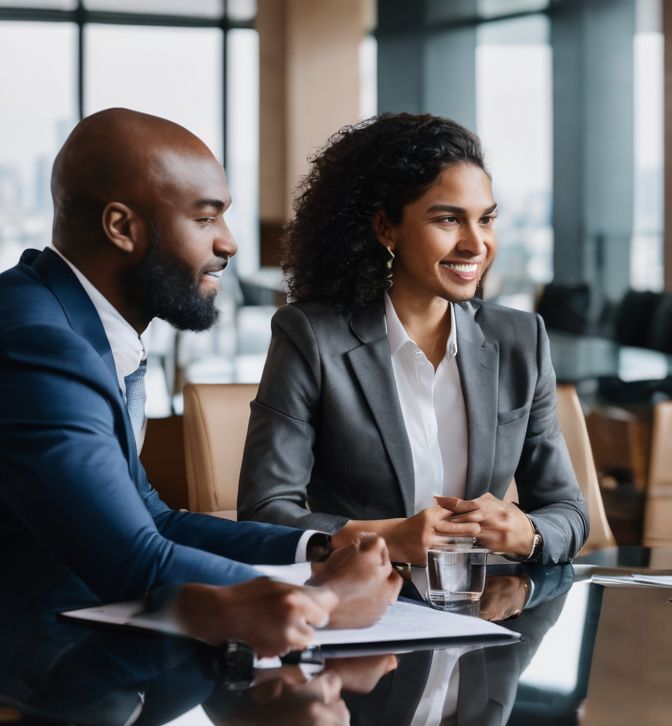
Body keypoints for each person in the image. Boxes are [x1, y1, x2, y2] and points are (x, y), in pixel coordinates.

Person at [0, 108, 401, 658]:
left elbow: (154, 520)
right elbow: (133, 559)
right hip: (34, 686)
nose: (230, 244)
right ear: (122, 227)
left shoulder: (72, 324)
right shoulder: (40, 344)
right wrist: (322, 598)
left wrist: (323, 547)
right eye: (206, 218)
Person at [237, 113, 587, 565]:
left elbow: (569, 512)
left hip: (483, 611)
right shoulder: (311, 337)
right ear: (386, 228)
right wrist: (385, 538)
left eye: (486, 219)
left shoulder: (521, 339)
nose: (475, 244)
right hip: (360, 610)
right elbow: (263, 512)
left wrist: (530, 532)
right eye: (448, 220)